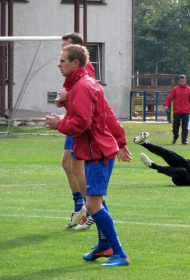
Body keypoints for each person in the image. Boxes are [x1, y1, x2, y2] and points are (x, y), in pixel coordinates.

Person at [46, 44, 132, 266]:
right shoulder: (83, 86)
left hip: (98, 153)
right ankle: (104, 247)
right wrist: (68, 102)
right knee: (96, 201)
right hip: (97, 151)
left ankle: (119, 254)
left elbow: (82, 124)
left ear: (75, 63)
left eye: (62, 60)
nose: (59, 64)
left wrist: (59, 124)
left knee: (93, 204)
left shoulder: (83, 86)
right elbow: (107, 114)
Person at [56, 32, 96, 231]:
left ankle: (92, 210)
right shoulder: (69, 69)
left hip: (81, 123)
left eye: (66, 46)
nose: (62, 50)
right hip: (73, 119)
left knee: (77, 166)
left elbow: (88, 93)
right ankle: (80, 206)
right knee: (67, 164)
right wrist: (65, 99)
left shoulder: (85, 68)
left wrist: (68, 95)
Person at [164, 75, 190, 145]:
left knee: (185, 127)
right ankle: (175, 136)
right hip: (177, 111)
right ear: (178, 81)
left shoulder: (189, 90)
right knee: (175, 126)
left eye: (184, 81)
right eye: (181, 81)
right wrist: (166, 105)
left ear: (185, 81)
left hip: (186, 111)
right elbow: (169, 98)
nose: (182, 82)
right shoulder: (175, 89)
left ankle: (184, 140)